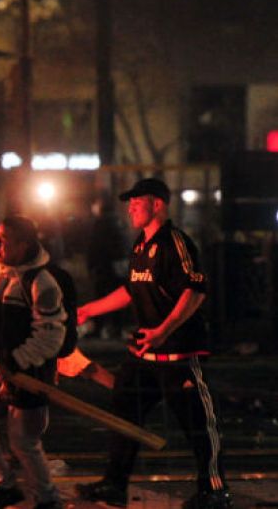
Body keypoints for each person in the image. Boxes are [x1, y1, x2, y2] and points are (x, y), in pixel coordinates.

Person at [75, 178, 232, 509]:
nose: (129, 207)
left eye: (136, 201)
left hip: (178, 350)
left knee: (198, 423)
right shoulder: (140, 246)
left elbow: (194, 291)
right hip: (145, 351)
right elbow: (131, 290)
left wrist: (163, 329)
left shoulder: (176, 243)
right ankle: (114, 485)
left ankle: (214, 490)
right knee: (124, 411)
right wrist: (89, 309)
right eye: (128, 202)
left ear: (157, 204)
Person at [0, 215, 65, 509]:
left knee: (23, 442)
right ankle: (3, 485)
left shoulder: (42, 284)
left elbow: (50, 337)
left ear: (23, 246)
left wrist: (16, 362)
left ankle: (47, 499)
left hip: (28, 374)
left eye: (3, 241)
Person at [85, 193, 128, 338]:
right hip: (119, 268)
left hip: (104, 268)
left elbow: (95, 247)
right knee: (115, 299)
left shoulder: (101, 223)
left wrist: (91, 266)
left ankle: (98, 329)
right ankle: (117, 328)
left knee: (100, 298)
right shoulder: (119, 222)